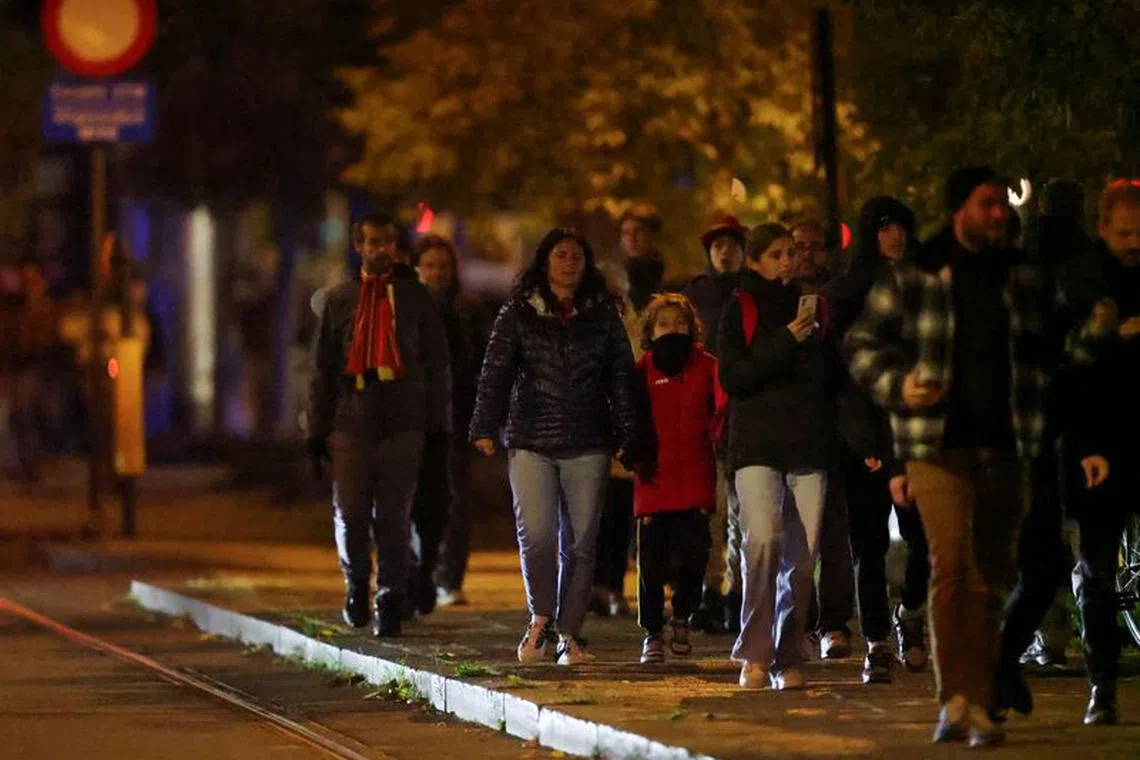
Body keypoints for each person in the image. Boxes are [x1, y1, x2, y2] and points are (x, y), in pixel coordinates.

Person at [844, 167, 1102, 747]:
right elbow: (859, 345)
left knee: (991, 574)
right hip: (935, 445)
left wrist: (1095, 332)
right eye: (986, 203)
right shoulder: (920, 272)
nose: (997, 214)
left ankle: (982, 699)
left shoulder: (1022, 275)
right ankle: (953, 698)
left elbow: (1060, 352)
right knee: (950, 567)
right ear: (959, 207)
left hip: (1008, 446)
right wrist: (898, 385)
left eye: (999, 207)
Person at [470, 227, 639, 666]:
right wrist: (484, 425)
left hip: (588, 440)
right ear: (545, 261)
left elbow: (621, 378)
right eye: (561, 255)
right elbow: (495, 371)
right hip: (532, 439)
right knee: (538, 535)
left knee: (582, 542)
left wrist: (628, 436)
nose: (569, 263)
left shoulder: (602, 315)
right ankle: (540, 618)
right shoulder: (519, 312)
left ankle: (571, 632)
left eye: (576, 257)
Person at [306, 211, 452, 638]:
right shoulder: (338, 301)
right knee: (350, 512)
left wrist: (438, 428)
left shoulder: (416, 299)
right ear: (359, 247)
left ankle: (389, 595)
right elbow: (323, 369)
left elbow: (435, 365)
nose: (379, 250)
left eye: (386, 243)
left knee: (393, 516)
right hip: (352, 419)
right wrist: (316, 430)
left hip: (404, 418)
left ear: (397, 248)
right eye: (371, 242)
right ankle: (355, 585)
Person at [719, 222, 835, 691]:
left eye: (791, 253)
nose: (788, 261)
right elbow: (736, 377)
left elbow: (828, 378)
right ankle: (754, 653)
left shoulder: (817, 308)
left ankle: (788, 654)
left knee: (803, 559)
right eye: (776, 254)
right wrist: (788, 338)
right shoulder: (740, 309)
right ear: (755, 261)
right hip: (757, 445)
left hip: (807, 444)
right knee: (762, 542)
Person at [825, 197, 931, 684]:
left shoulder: (925, 283)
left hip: (916, 428)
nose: (895, 236)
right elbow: (841, 375)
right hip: (863, 430)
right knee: (866, 543)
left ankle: (909, 614)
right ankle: (876, 642)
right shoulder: (848, 291)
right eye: (885, 227)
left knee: (923, 536)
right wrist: (861, 439)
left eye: (900, 227)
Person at [1053, 180, 1140, 726]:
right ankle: (1101, 684)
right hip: (1099, 442)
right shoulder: (1081, 280)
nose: (1134, 242)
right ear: (1104, 227)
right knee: (1098, 570)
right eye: (1126, 232)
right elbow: (1067, 363)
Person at [631, 294, 721, 664]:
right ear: (651, 331)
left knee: (694, 556)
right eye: (664, 324)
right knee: (650, 561)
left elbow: (721, 411)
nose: (672, 330)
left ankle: (682, 615)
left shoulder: (708, 366)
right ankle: (652, 631)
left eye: (679, 324)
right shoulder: (641, 370)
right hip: (654, 479)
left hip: (696, 476)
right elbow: (629, 416)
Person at [410, 234, 489, 610]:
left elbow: (480, 365)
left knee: (455, 501)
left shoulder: (467, 310)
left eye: (442, 266)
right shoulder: (406, 309)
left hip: (455, 419)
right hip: (413, 418)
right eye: (429, 266)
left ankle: (449, 577)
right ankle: (415, 572)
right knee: (411, 499)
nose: (437, 273)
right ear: (417, 269)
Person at [682, 213, 747, 634]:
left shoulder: (751, 294)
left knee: (740, 513)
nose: (724, 252)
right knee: (711, 510)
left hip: (742, 415)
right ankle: (708, 590)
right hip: (706, 417)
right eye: (716, 245)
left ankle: (736, 590)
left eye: (731, 244)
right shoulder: (695, 294)